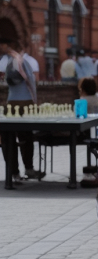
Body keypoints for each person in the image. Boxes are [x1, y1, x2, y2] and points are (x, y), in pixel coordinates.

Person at [0, 39, 44, 181]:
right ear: (23, 49)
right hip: (25, 103)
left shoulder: (4, 60)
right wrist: (35, 100)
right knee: (26, 136)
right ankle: (29, 169)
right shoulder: (23, 61)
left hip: (11, 103)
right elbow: (31, 81)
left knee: (9, 138)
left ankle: (14, 172)